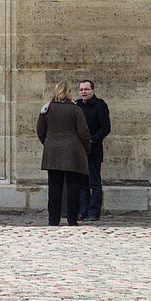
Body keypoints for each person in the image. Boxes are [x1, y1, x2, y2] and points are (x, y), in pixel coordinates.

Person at [37, 81, 91, 226]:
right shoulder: (76, 110)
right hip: (73, 152)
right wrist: (86, 148)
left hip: (53, 152)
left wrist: (49, 144)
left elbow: (40, 131)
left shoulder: (47, 109)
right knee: (73, 187)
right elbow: (84, 132)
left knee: (54, 187)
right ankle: (72, 219)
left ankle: (53, 219)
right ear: (69, 93)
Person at [76, 78, 111, 221]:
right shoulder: (77, 105)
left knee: (94, 182)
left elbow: (105, 128)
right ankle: (83, 211)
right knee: (82, 183)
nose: (83, 92)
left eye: (86, 89)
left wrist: (92, 139)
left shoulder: (100, 105)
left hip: (94, 150)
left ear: (93, 90)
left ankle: (94, 212)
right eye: (81, 89)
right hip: (80, 150)